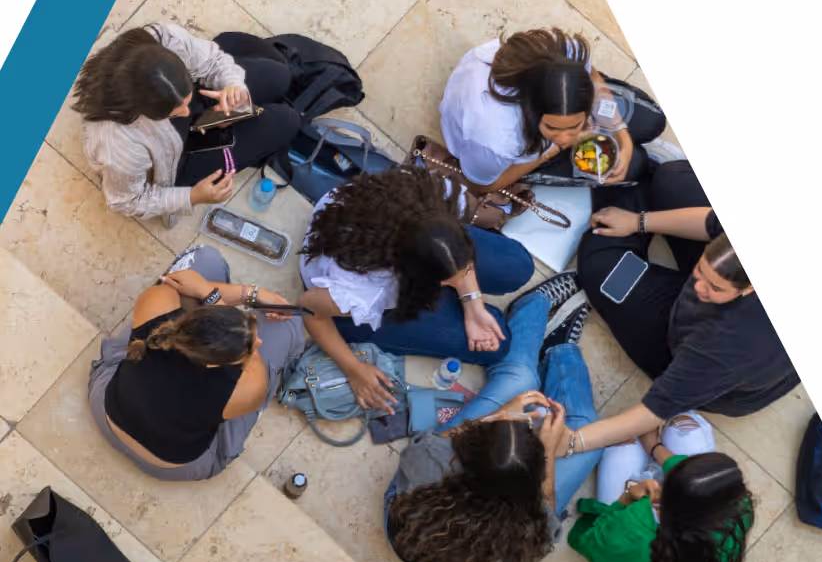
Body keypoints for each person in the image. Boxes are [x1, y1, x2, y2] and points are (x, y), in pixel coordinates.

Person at [385, 273, 605, 562]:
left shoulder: (431, 462)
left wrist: (499, 414)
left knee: (520, 378)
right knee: (586, 430)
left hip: (409, 525)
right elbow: (545, 512)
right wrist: (548, 456)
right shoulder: (528, 531)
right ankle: (561, 349)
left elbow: (436, 441)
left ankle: (535, 309)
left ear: (470, 449)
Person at [564, 159, 800, 456]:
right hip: (734, 321)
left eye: (713, 287)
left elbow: (651, 411)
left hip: (706, 354)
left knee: (601, 268)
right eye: (700, 272)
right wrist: (639, 221)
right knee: (673, 179)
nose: (698, 287)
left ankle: (625, 187)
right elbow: (711, 223)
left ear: (750, 288)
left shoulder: (723, 348)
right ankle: (634, 190)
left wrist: (572, 442)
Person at [298, 166, 535, 412]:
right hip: (340, 297)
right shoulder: (365, 291)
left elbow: (455, 259)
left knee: (518, 265)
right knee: (499, 343)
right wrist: (354, 369)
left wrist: (473, 304)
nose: (458, 282)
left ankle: (448, 289)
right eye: (444, 283)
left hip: (400, 238)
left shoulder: (428, 194)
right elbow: (308, 308)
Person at [88, 245, 304, 482]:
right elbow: (255, 375)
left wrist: (213, 296)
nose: (259, 342)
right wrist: (242, 296)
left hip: (107, 414)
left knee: (206, 258)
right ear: (216, 365)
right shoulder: (243, 389)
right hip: (172, 466)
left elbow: (180, 282)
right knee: (289, 324)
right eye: (250, 348)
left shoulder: (156, 310)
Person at [73, 24, 301, 228]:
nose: (186, 112)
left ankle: (204, 108)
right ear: (140, 111)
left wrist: (233, 88)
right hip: (174, 167)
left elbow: (211, 62)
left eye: (186, 103)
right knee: (288, 121)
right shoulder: (117, 146)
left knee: (281, 77)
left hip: (196, 99)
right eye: (175, 112)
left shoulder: (163, 39)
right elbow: (127, 200)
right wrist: (192, 197)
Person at [438, 27, 666, 194]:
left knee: (654, 121)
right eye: (553, 128)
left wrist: (620, 133)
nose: (572, 138)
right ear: (531, 112)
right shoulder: (495, 141)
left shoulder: (561, 52)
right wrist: (554, 149)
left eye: (576, 125)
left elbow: (591, 74)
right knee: (635, 166)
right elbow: (481, 185)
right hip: (497, 154)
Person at [568, 437, 753, 562]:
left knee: (624, 446)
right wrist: (654, 446)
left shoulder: (634, 525)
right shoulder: (739, 512)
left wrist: (628, 497)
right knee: (687, 425)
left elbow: (589, 543)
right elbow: (696, 483)